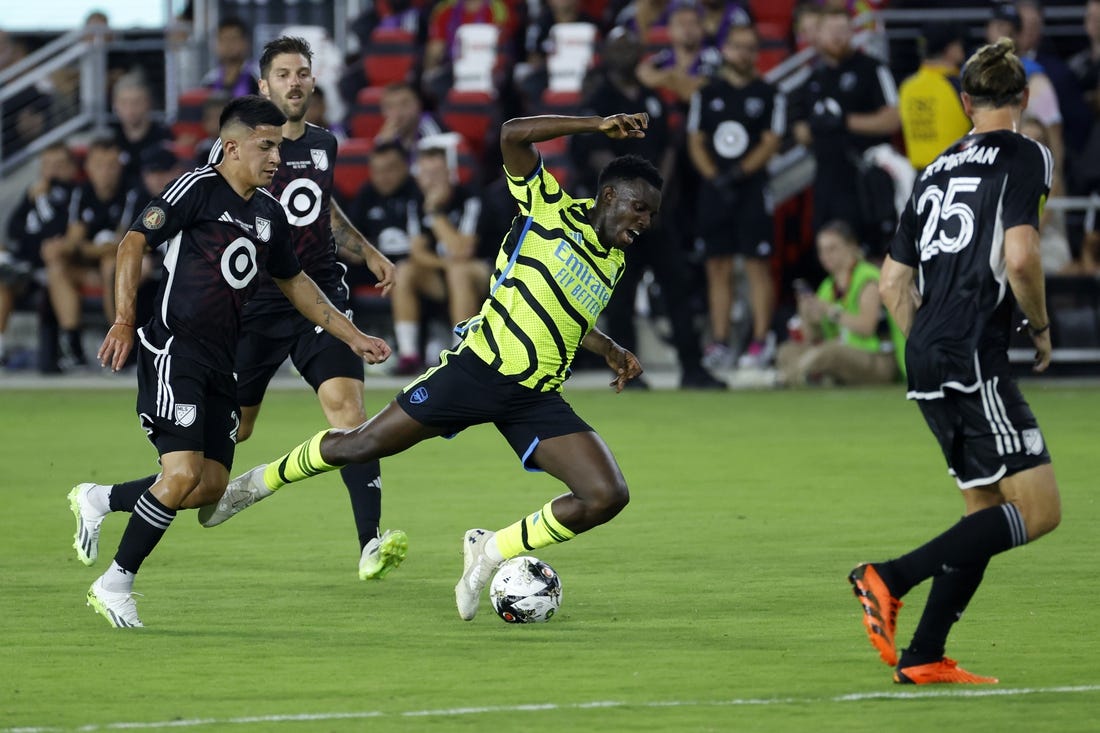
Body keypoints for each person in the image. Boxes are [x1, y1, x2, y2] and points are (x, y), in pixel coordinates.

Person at [201, 112, 662, 622]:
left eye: (651, 215)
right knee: (360, 444)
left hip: (533, 397)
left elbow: (565, 315)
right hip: (476, 369)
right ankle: (255, 484)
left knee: (605, 495)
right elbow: (509, 132)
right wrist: (596, 126)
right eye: (639, 209)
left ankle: (489, 550)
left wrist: (610, 348)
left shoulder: (614, 259)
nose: (644, 223)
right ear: (608, 197)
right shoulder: (550, 209)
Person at [69, 38, 407, 586]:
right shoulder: (216, 174)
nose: (295, 82)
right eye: (283, 74)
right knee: (216, 454)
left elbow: (311, 232)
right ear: (264, 87)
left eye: (303, 72)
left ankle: (369, 542)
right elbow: (146, 238)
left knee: (346, 417)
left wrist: (360, 285)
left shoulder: (317, 153)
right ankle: (109, 521)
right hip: (231, 320)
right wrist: (127, 317)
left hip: (311, 296)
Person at [849, 38, 1061, 684]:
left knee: (984, 510)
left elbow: (892, 283)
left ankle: (923, 654)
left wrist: (926, 344)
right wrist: (1041, 327)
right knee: (1040, 509)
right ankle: (889, 576)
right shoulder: (1028, 155)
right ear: (1022, 98)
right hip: (975, 348)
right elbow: (1021, 256)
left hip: (929, 349)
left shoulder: (934, 167)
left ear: (964, 102)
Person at [687, 22, 784, 370]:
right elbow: (695, 140)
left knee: (757, 264)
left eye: (749, 48)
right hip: (715, 188)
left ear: (756, 53)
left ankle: (760, 342)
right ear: (725, 50)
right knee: (717, 265)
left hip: (753, 188)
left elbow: (771, 140)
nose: (743, 54)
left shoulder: (770, 93)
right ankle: (720, 341)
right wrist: (716, 177)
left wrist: (740, 173)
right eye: (737, 47)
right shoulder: (706, 93)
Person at [791, 7, 900, 250]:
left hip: (864, 178)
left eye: (843, 30)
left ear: (853, 32)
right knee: (828, 251)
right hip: (827, 180)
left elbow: (893, 118)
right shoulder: (812, 79)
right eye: (831, 31)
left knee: (871, 251)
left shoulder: (872, 69)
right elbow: (801, 132)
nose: (837, 37)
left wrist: (845, 122)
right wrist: (810, 129)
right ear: (817, 35)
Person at [391, 146, 487, 374]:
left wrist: (434, 213)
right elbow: (417, 253)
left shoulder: (470, 198)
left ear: (449, 173)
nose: (431, 181)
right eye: (426, 175)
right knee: (404, 270)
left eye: (437, 174)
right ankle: (408, 355)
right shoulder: (415, 202)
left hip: (484, 274)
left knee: (460, 272)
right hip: (443, 273)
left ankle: (461, 353)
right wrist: (446, 263)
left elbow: (463, 249)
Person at [775, 220, 902, 386]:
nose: (825, 256)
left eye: (832, 249)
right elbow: (813, 337)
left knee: (830, 352)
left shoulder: (868, 278)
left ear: (852, 247)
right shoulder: (828, 286)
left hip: (879, 358)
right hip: (843, 352)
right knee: (787, 351)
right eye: (821, 250)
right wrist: (808, 315)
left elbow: (867, 327)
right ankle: (816, 376)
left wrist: (830, 311)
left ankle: (791, 377)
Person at [898, 23, 972, 171]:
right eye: (959, 44)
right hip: (955, 175)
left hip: (919, 179)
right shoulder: (959, 86)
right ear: (950, 49)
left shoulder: (906, 87)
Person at [200, 16, 261, 97]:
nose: (228, 45)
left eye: (233, 39)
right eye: (223, 39)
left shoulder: (258, 76)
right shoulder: (209, 81)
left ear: (245, 43)